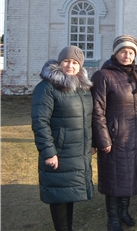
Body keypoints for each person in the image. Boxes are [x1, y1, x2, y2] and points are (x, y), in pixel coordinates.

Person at [31, 45, 94, 231]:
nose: (70, 65)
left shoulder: (82, 88)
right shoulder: (47, 88)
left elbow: (88, 120)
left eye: (75, 62)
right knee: (59, 195)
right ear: (59, 62)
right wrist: (48, 152)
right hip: (59, 151)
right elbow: (40, 122)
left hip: (77, 152)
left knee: (70, 192)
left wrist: (92, 144)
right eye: (66, 61)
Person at [91, 35, 137, 230]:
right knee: (113, 179)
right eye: (123, 51)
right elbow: (97, 110)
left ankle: (124, 212)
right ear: (115, 53)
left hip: (136, 138)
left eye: (131, 52)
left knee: (129, 177)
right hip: (115, 139)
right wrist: (103, 139)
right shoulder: (103, 75)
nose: (127, 55)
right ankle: (113, 217)